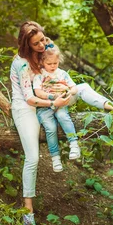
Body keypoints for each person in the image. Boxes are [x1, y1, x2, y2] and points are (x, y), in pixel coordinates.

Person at [10, 21, 113, 225]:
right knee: (33, 157)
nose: (43, 44)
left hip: (51, 99)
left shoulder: (45, 48)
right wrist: (53, 102)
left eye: (43, 39)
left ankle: (111, 106)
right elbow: (29, 98)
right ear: (26, 45)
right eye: (36, 43)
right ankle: (27, 212)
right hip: (27, 106)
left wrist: (63, 93)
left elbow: (56, 69)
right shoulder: (21, 63)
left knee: (82, 87)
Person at [33, 42, 80, 173]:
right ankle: (55, 157)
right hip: (44, 107)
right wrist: (51, 97)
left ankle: (74, 144)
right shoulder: (39, 75)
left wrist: (70, 91)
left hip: (61, 105)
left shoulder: (63, 74)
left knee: (62, 116)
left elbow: (74, 87)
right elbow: (38, 92)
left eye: (55, 63)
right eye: (49, 64)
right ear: (42, 62)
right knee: (50, 127)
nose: (53, 66)